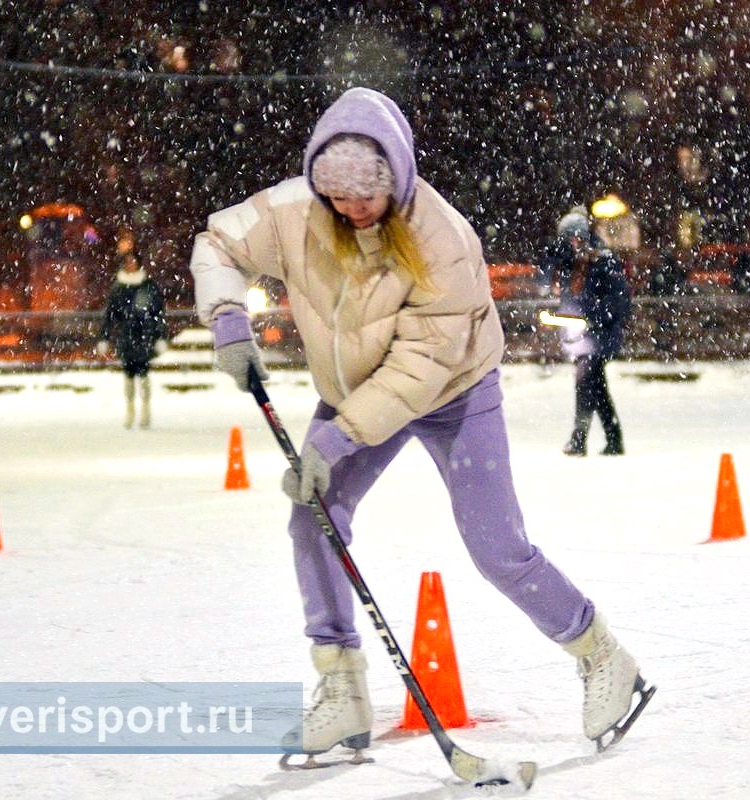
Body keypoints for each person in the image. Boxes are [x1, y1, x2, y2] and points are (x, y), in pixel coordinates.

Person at [188, 87, 649, 762]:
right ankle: (341, 687)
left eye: (366, 196)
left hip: (455, 389)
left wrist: (333, 438)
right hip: (352, 390)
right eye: (338, 197)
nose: (352, 209)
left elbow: (417, 368)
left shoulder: (442, 237)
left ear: (396, 182)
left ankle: (602, 654)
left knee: (497, 547)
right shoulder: (294, 212)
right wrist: (227, 317)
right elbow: (217, 242)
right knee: (313, 516)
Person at [539, 210, 632, 456]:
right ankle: (614, 439)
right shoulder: (571, 264)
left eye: (574, 239)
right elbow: (568, 295)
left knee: (584, 385)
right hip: (581, 335)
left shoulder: (603, 262)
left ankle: (578, 440)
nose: (572, 245)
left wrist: (596, 319)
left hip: (598, 336)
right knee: (597, 389)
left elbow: (619, 300)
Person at [97, 230, 168, 429]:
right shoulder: (118, 288)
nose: (130, 265)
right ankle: (130, 410)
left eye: (132, 261)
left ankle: (145, 410)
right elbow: (110, 315)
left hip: (144, 337)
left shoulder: (148, 287)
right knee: (128, 375)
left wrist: (161, 336)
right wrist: (104, 337)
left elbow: (158, 313)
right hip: (126, 338)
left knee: (144, 374)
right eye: (127, 262)